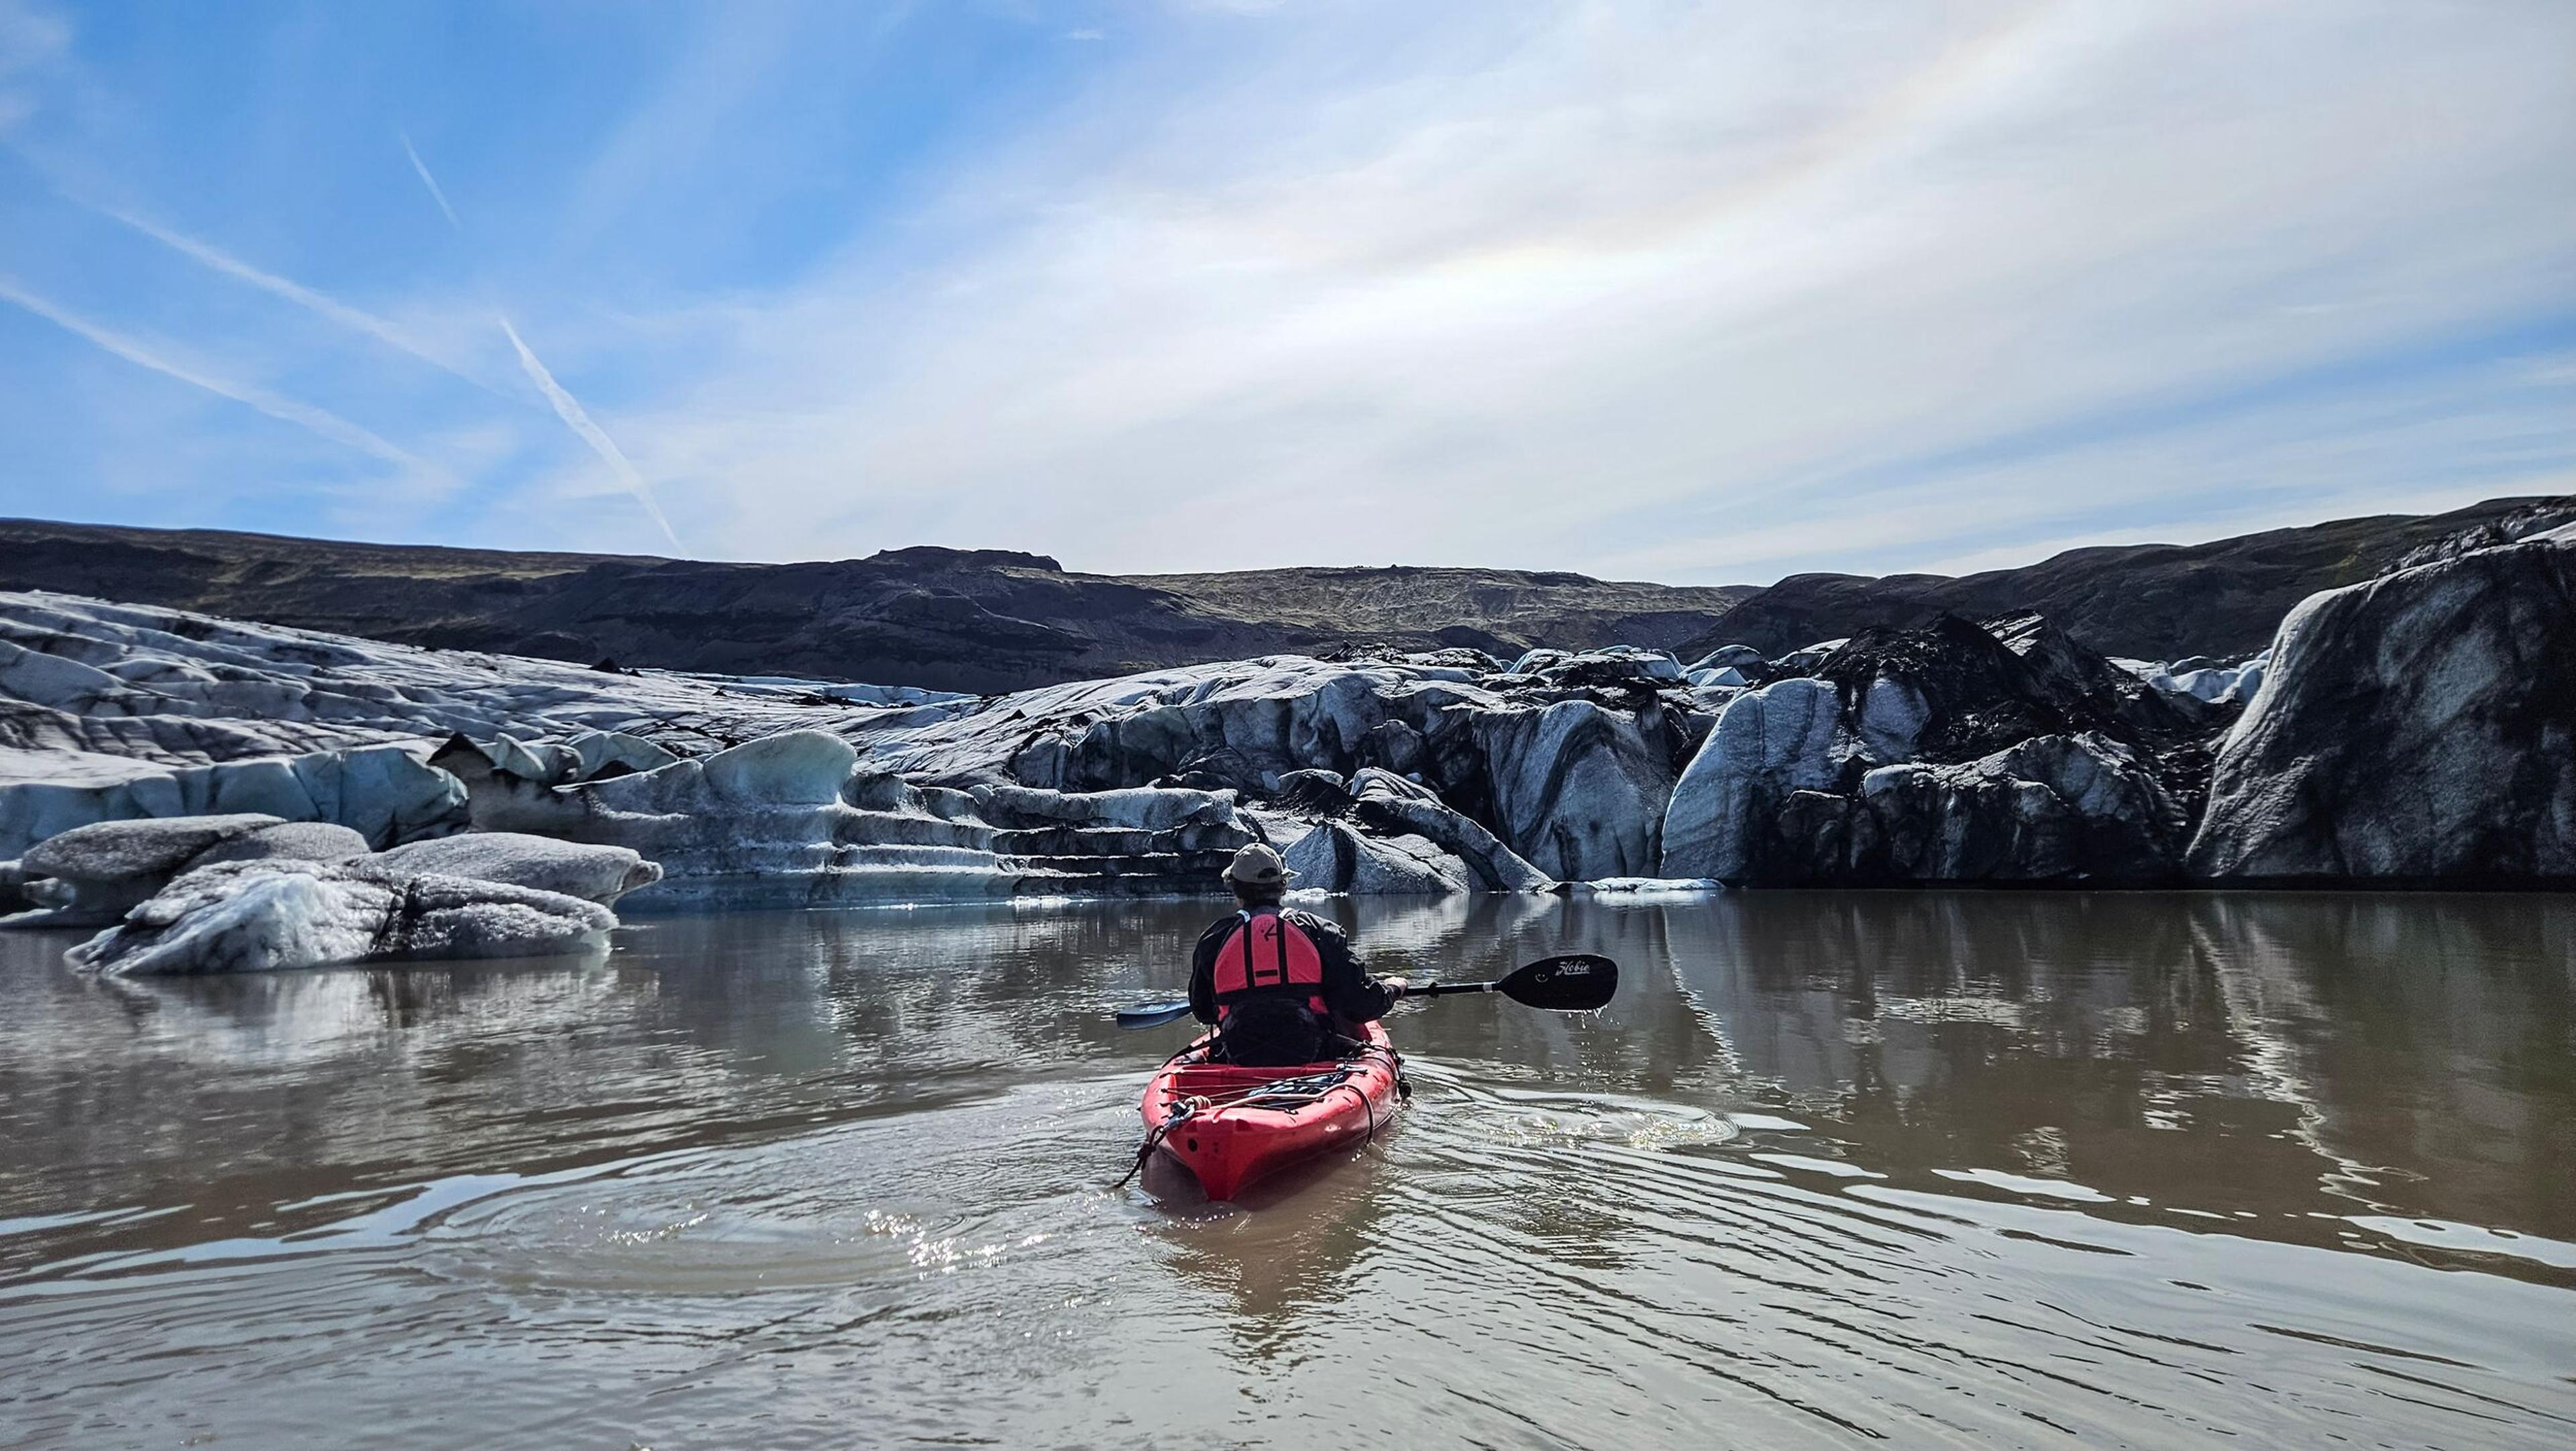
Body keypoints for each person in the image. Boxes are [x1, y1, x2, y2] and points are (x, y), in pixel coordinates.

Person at [1188, 843, 1407, 1066]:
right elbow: (1361, 1003)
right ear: (1283, 886)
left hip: (1241, 1051)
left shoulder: (1214, 939)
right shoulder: (1321, 931)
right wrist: (1393, 988)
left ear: (1235, 888)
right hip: (1314, 1052)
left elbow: (1203, 1011)